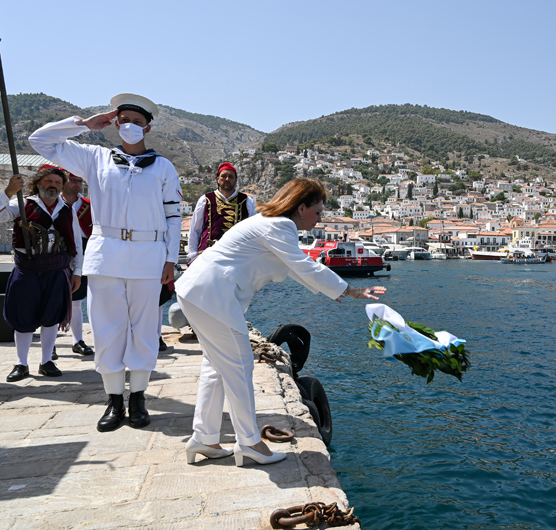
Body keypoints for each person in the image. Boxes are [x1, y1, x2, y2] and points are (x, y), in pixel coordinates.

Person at [175, 178, 386, 466]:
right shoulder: (280, 225)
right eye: (317, 212)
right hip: (212, 294)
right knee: (240, 366)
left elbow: (294, 266)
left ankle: (205, 438)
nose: (319, 219)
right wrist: (350, 289)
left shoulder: (270, 222)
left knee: (216, 368)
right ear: (301, 208)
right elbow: (302, 265)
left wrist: (335, 290)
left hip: (199, 291)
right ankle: (249, 442)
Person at [29, 93, 182, 432]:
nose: (130, 126)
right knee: (107, 328)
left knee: (144, 329)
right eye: (123, 120)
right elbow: (39, 141)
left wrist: (171, 259)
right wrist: (84, 124)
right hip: (106, 255)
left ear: (148, 128)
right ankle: (114, 400)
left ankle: (138, 397)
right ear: (114, 123)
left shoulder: (163, 167)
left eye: (137, 122)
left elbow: (173, 216)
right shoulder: (94, 158)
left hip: (148, 256)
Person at [1, 166, 83, 382]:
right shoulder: (22, 204)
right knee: (24, 316)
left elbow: (76, 243)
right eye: (48, 181)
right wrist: (8, 192)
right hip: (27, 269)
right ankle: (21, 363)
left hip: (56, 269)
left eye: (57, 183)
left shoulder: (67, 209)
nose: (52, 186)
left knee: (51, 317)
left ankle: (47, 361)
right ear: (38, 183)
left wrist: (77, 272)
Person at [186, 162, 256, 262]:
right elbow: (195, 230)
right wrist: (193, 256)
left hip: (237, 257)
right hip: (207, 256)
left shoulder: (247, 201)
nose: (227, 179)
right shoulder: (205, 200)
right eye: (223, 176)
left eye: (231, 177)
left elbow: (253, 231)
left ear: (235, 180)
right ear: (218, 179)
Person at [60, 170, 94, 356]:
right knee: (51, 297)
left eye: (80, 181)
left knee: (77, 298)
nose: (78, 185)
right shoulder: (52, 203)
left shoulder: (89, 205)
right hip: (57, 248)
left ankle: (77, 340)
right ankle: (51, 343)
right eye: (73, 180)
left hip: (85, 248)